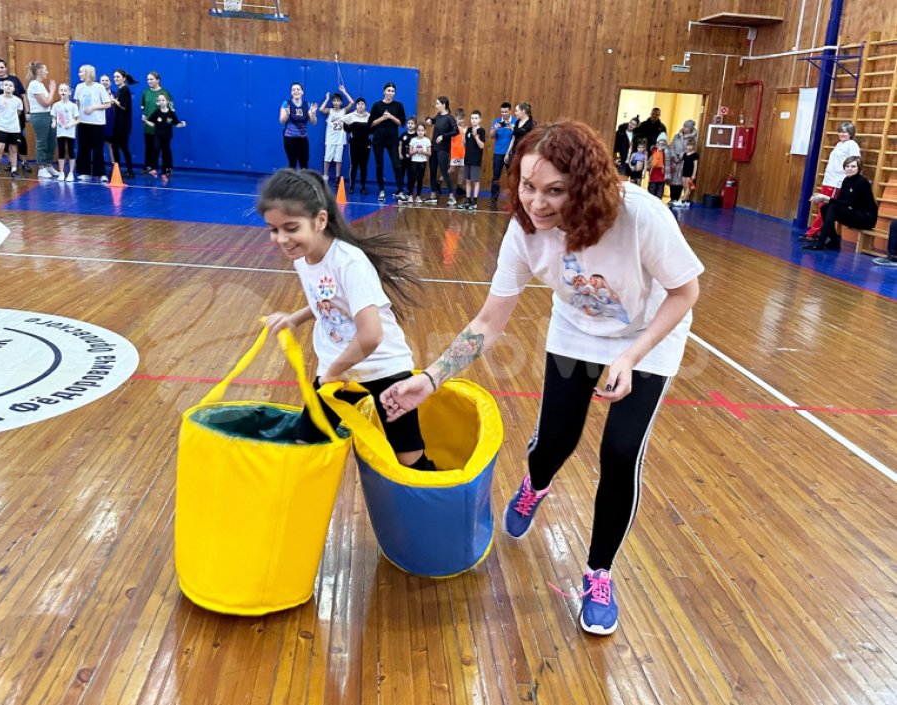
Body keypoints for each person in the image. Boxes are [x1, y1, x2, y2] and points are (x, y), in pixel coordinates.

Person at [380, 120, 703, 635]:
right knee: (555, 441)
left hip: (649, 334)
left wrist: (631, 357)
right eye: (528, 186)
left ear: (587, 186)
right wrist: (432, 378)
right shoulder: (525, 230)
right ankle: (537, 482)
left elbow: (685, 293)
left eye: (555, 190)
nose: (537, 203)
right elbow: (489, 321)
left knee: (620, 452)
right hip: (576, 330)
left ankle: (599, 572)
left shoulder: (641, 215)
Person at [259, 168, 435, 471]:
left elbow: (370, 335)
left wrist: (335, 370)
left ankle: (436, 509)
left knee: (407, 457)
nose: (281, 239)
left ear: (321, 220)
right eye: (273, 229)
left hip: (383, 367)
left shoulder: (350, 262)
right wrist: (295, 318)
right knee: (306, 443)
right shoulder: (303, 257)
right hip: (338, 369)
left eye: (290, 227)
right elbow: (325, 302)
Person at [803, 155, 877, 252]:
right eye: (847, 166)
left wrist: (827, 198)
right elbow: (841, 201)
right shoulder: (846, 180)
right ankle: (834, 242)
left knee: (833, 207)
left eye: (853, 166)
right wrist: (823, 199)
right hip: (854, 213)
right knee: (825, 208)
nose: (850, 169)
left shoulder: (862, 182)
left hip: (866, 218)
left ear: (859, 168)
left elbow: (850, 204)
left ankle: (820, 242)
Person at [803, 121, 861, 240]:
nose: (842, 134)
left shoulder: (852, 144)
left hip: (837, 182)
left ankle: (812, 234)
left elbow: (856, 162)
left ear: (850, 133)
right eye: (840, 131)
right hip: (828, 180)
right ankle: (819, 234)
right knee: (821, 208)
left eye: (845, 132)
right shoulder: (839, 144)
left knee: (825, 209)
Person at [0, 59, 30, 172]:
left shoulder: (14, 79)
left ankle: (24, 162)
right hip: (0, 117)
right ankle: (11, 162)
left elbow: (23, 97)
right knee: (2, 142)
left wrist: (27, 112)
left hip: (15, 117)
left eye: (2, 67)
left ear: (6, 68)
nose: (0, 69)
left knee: (20, 140)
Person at [368, 82, 406, 201]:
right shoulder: (377, 105)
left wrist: (391, 117)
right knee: (379, 165)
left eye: (392, 91)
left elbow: (401, 123)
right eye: (388, 90)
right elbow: (371, 123)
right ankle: (381, 190)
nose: (390, 93)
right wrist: (383, 118)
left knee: (397, 165)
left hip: (392, 139)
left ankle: (400, 190)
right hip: (378, 139)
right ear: (384, 91)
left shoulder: (398, 106)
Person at [74, 64, 111, 181]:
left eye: (81, 72)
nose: (79, 74)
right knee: (83, 148)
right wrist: (77, 116)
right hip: (83, 123)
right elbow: (78, 103)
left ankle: (100, 173)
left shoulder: (99, 87)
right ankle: (84, 171)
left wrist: (93, 107)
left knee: (98, 149)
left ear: (88, 73)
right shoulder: (79, 87)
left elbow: (107, 104)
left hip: (97, 124)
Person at [26, 62, 59, 179]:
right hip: (39, 116)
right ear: (39, 71)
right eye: (45, 70)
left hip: (47, 115)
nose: (47, 72)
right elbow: (45, 103)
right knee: (42, 142)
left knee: (51, 141)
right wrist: (52, 90)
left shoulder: (40, 84)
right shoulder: (34, 84)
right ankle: (41, 168)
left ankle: (49, 164)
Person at [142, 93, 186, 177]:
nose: (161, 102)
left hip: (167, 136)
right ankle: (154, 169)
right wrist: (146, 120)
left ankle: (167, 169)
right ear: (157, 102)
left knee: (166, 152)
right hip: (157, 135)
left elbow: (176, 124)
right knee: (155, 149)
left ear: (167, 101)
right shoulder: (156, 113)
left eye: (163, 100)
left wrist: (182, 124)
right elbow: (152, 124)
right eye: (159, 100)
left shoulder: (171, 113)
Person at [425, 96, 458, 206]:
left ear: (444, 105)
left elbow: (455, 131)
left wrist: (443, 136)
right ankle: (433, 195)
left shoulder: (450, 118)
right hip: (434, 147)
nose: (436, 105)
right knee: (433, 171)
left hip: (443, 148)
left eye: (438, 103)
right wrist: (430, 120)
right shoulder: (439, 115)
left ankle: (452, 196)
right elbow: (434, 121)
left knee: (444, 171)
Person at [319, 85, 354, 183]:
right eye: (334, 100)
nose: (336, 103)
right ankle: (325, 175)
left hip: (340, 140)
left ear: (341, 102)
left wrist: (344, 91)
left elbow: (352, 102)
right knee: (327, 159)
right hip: (330, 139)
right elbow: (321, 109)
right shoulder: (329, 111)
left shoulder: (343, 111)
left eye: (338, 101)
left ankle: (337, 177)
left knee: (338, 160)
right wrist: (326, 99)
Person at [280, 82, 317, 170]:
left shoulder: (307, 105)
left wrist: (311, 114)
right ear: (291, 92)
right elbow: (282, 121)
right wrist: (288, 113)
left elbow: (314, 122)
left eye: (298, 89)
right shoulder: (286, 103)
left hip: (303, 139)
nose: (296, 91)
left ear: (302, 92)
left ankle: (303, 183)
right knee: (292, 163)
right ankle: (290, 183)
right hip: (289, 139)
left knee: (304, 164)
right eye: (293, 89)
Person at [0, 79, 24, 177]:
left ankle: (14, 170)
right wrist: (2, 119)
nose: (8, 87)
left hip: (14, 128)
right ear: (2, 87)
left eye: (10, 85)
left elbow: (19, 112)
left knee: (13, 148)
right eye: (6, 85)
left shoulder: (17, 100)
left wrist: (11, 120)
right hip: (2, 127)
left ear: (13, 88)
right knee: (0, 147)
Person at [141, 72, 173, 173]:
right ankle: (149, 167)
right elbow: (143, 106)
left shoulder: (165, 93)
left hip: (161, 129)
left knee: (164, 149)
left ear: (158, 80)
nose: (149, 81)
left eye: (151, 79)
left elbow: (171, 110)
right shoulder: (145, 93)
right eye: (148, 79)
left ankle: (167, 168)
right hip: (148, 126)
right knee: (149, 147)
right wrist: (145, 116)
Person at [109, 70, 136, 178]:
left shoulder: (125, 90)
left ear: (124, 78)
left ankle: (129, 170)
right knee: (115, 146)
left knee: (123, 147)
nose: (115, 79)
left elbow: (124, 106)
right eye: (114, 77)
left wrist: (114, 100)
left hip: (123, 125)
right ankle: (118, 169)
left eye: (118, 77)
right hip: (117, 124)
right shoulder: (120, 90)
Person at [50, 83, 79, 181]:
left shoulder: (73, 106)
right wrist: (53, 123)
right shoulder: (56, 105)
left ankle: (70, 173)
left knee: (71, 151)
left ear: (69, 93)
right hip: (60, 132)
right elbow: (54, 117)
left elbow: (78, 119)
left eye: (65, 90)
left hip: (70, 132)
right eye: (61, 90)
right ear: (58, 92)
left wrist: (70, 125)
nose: (63, 92)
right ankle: (61, 172)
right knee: (61, 151)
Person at [343, 97, 371, 194]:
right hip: (354, 144)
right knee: (354, 165)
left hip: (366, 144)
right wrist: (349, 130)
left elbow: (373, 128)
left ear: (365, 106)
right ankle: (351, 186)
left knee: (364, 166)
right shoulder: (351, 116)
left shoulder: (369, 116)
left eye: (362, 104)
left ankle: (363, 186)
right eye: (359, 104)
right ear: (356, 105)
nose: (360, 105)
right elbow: (344, 125)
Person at [460, 110, 485, 211]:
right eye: (472, 118)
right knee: (468, 180)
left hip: (476, 160)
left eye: (475, 118)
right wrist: (464, 134)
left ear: (479, 119)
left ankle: (474, 201)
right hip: (468, 158)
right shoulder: (469, 129)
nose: (473, 120)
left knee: (475, 180)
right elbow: (465, 144)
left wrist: (475, 136)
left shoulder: (481, 131)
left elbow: (481, 145)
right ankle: (468, 200)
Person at [668, 120, 698, 202]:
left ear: (690, 128)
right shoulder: (677, 136)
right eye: (684, 126)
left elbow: (692, 149)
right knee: (674, 181)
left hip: (685, 162)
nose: (684, 128)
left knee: (684, 183)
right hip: (675, 161)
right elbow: (671, 147)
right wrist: (673, 156)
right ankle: (673, 198)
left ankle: (684, 200)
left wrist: (681, 156)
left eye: (686, 127)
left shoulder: (694, 138)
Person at [504, 102, 535, 168]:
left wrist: (513, 129)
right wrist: (507, 152)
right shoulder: (517, 122)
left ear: (523, 111)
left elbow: (531, 139)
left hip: (525, 153)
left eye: (517, 111)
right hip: (515, 152)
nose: (515, 113)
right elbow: (513, 138)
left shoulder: (532, 123)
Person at [408, 122, 431, 203]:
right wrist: (415, 151)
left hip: (422, 162)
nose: (420, 132)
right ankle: (410, 195)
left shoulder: (427, 140)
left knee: (420, 179)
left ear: (424, 131)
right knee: (412, 178)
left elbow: (429, 153)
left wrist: (423, 152)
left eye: (422, 130)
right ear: (416, 131)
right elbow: (410, 153)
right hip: (414, 161)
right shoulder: (413, 140)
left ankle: (418, 196)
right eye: (418, 130)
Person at [397, 117, 417, 203]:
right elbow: (400, 145)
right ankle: (400, 191)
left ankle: (409, 192)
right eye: (408, 123)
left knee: (411, 175)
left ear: (415, 125)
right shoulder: (403, 135)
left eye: (412, 123)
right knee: (401, 174)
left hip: (412, 159)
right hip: (403, 158)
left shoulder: (417, 135)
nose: (410, 125)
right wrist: (400, 154)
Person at [674, 139, 698, 207]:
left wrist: (693, 174)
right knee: (685, 187)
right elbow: (683, 163)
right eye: (688, 145)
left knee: (688, 188)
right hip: (684, 172)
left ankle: (682, 201)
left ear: (693, 146)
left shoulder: (695, 155)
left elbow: (695, 165)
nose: (689, 147)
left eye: (691, 146)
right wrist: (680, 172)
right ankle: (687, 201)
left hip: (690, 173)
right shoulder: (685, 154)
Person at [647, 134, 670, 200]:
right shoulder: (654, 149)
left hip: (662, 174)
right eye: (661, 140)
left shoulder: (667, 151)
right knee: (652, 190)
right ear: (658, 141)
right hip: (654, 172)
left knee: (660, 191)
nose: (662, 142)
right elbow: (654, 161)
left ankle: (658, 204)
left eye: (664, 141)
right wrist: (658, 151)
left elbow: (668, 162)